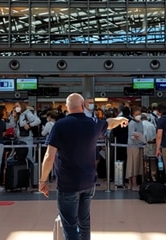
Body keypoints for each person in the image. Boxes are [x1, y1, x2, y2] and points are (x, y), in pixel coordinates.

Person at [38, 93, 128, 240]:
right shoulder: (92, 123)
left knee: (70, 225)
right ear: (83, 106)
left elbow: (49, 156)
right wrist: (121, 120)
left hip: (68, 183)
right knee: (84, 222)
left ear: (67, 107)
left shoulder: (60, 125)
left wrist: (43, 180)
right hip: (88, 182)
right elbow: (109, 123)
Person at [126, 106, 144, 191]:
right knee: (132, 165)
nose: (138, 116)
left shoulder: (140, 122)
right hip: (132, 146)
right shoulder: (132, 123)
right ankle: (133, 184)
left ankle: (132, 184)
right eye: (137, 114)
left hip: (139, 145)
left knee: (137, 165)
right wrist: (136, 136)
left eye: (139, 114)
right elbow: (131, 136)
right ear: (133, 115)